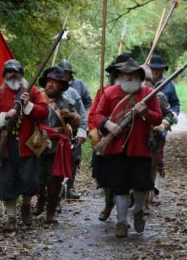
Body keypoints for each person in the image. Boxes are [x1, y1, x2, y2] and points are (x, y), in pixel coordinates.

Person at [95, 58, 162, 238]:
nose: (129, 78)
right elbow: (97, 115)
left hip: (141, 148)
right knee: (120, 186)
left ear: (139, 77)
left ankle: (138, 211)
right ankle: (122, 222)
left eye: (133, 75)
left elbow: (157, 118)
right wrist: (108, 125)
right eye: (126, 75)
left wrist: (145, 112)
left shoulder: (149, 94)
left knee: (141, 185)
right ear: (120, 76)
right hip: (116, 148)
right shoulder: (109, 93)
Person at [0, 59, 49, 232]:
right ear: (4, 75)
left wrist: (28, 105)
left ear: (21, 74)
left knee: (29, 182)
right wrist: (5, 115)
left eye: (16, 72)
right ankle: (11, 217)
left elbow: (44, 112)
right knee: (6, 182)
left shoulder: (33, 92)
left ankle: (27, 206)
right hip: (5, 147)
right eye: (9, 72)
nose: (12, 75)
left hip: (27, 146)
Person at [34, 66, 81, 223]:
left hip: (58, 145)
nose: (51, 85)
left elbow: (76, 124)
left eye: (55, 82)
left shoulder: (67, 103)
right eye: (49, 81)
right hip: (38, 141)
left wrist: (72, 117)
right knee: (39, 177)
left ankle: (51, 211)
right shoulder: (37, 98)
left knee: (55, 179)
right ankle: (40, 202)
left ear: (61, 85)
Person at [88, 53, 132, 222]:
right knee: (105, 177)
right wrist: (97, 132)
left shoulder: (136, 93)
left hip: (127, 141)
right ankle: (108, 203)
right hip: (106, 140)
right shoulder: (103, 91)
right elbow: (94, 115)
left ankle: (125, 212)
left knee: (127, 176)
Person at [141, 65, 177, 209]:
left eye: (148, 81)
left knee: (151, 169)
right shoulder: (128, 96)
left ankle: (148, 196)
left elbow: (169, 115)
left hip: (152, 141)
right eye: (142, 80)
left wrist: (162, 124)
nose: (145, 83)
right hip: (133, 140)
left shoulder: (159, 97)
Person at [147, 54, 180, 204]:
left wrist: (171, 117)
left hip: (160, 127)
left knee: (157, 159)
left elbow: (175, 104)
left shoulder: (168, 84)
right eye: (153, 69)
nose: (155, 72)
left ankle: (154, 191)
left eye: (158, 69)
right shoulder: (142, 81)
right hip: (142, 126)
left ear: (162, 70)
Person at [58, 59, 91, 199]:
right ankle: (56, 190)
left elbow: (87, 104)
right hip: (57, 128)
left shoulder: (78, 86)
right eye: (62, 72)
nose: (65, 74)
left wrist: (85, 122)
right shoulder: (51, 87)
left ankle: (70, 187)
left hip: (75, 126)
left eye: (67, 72)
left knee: (74, 158)